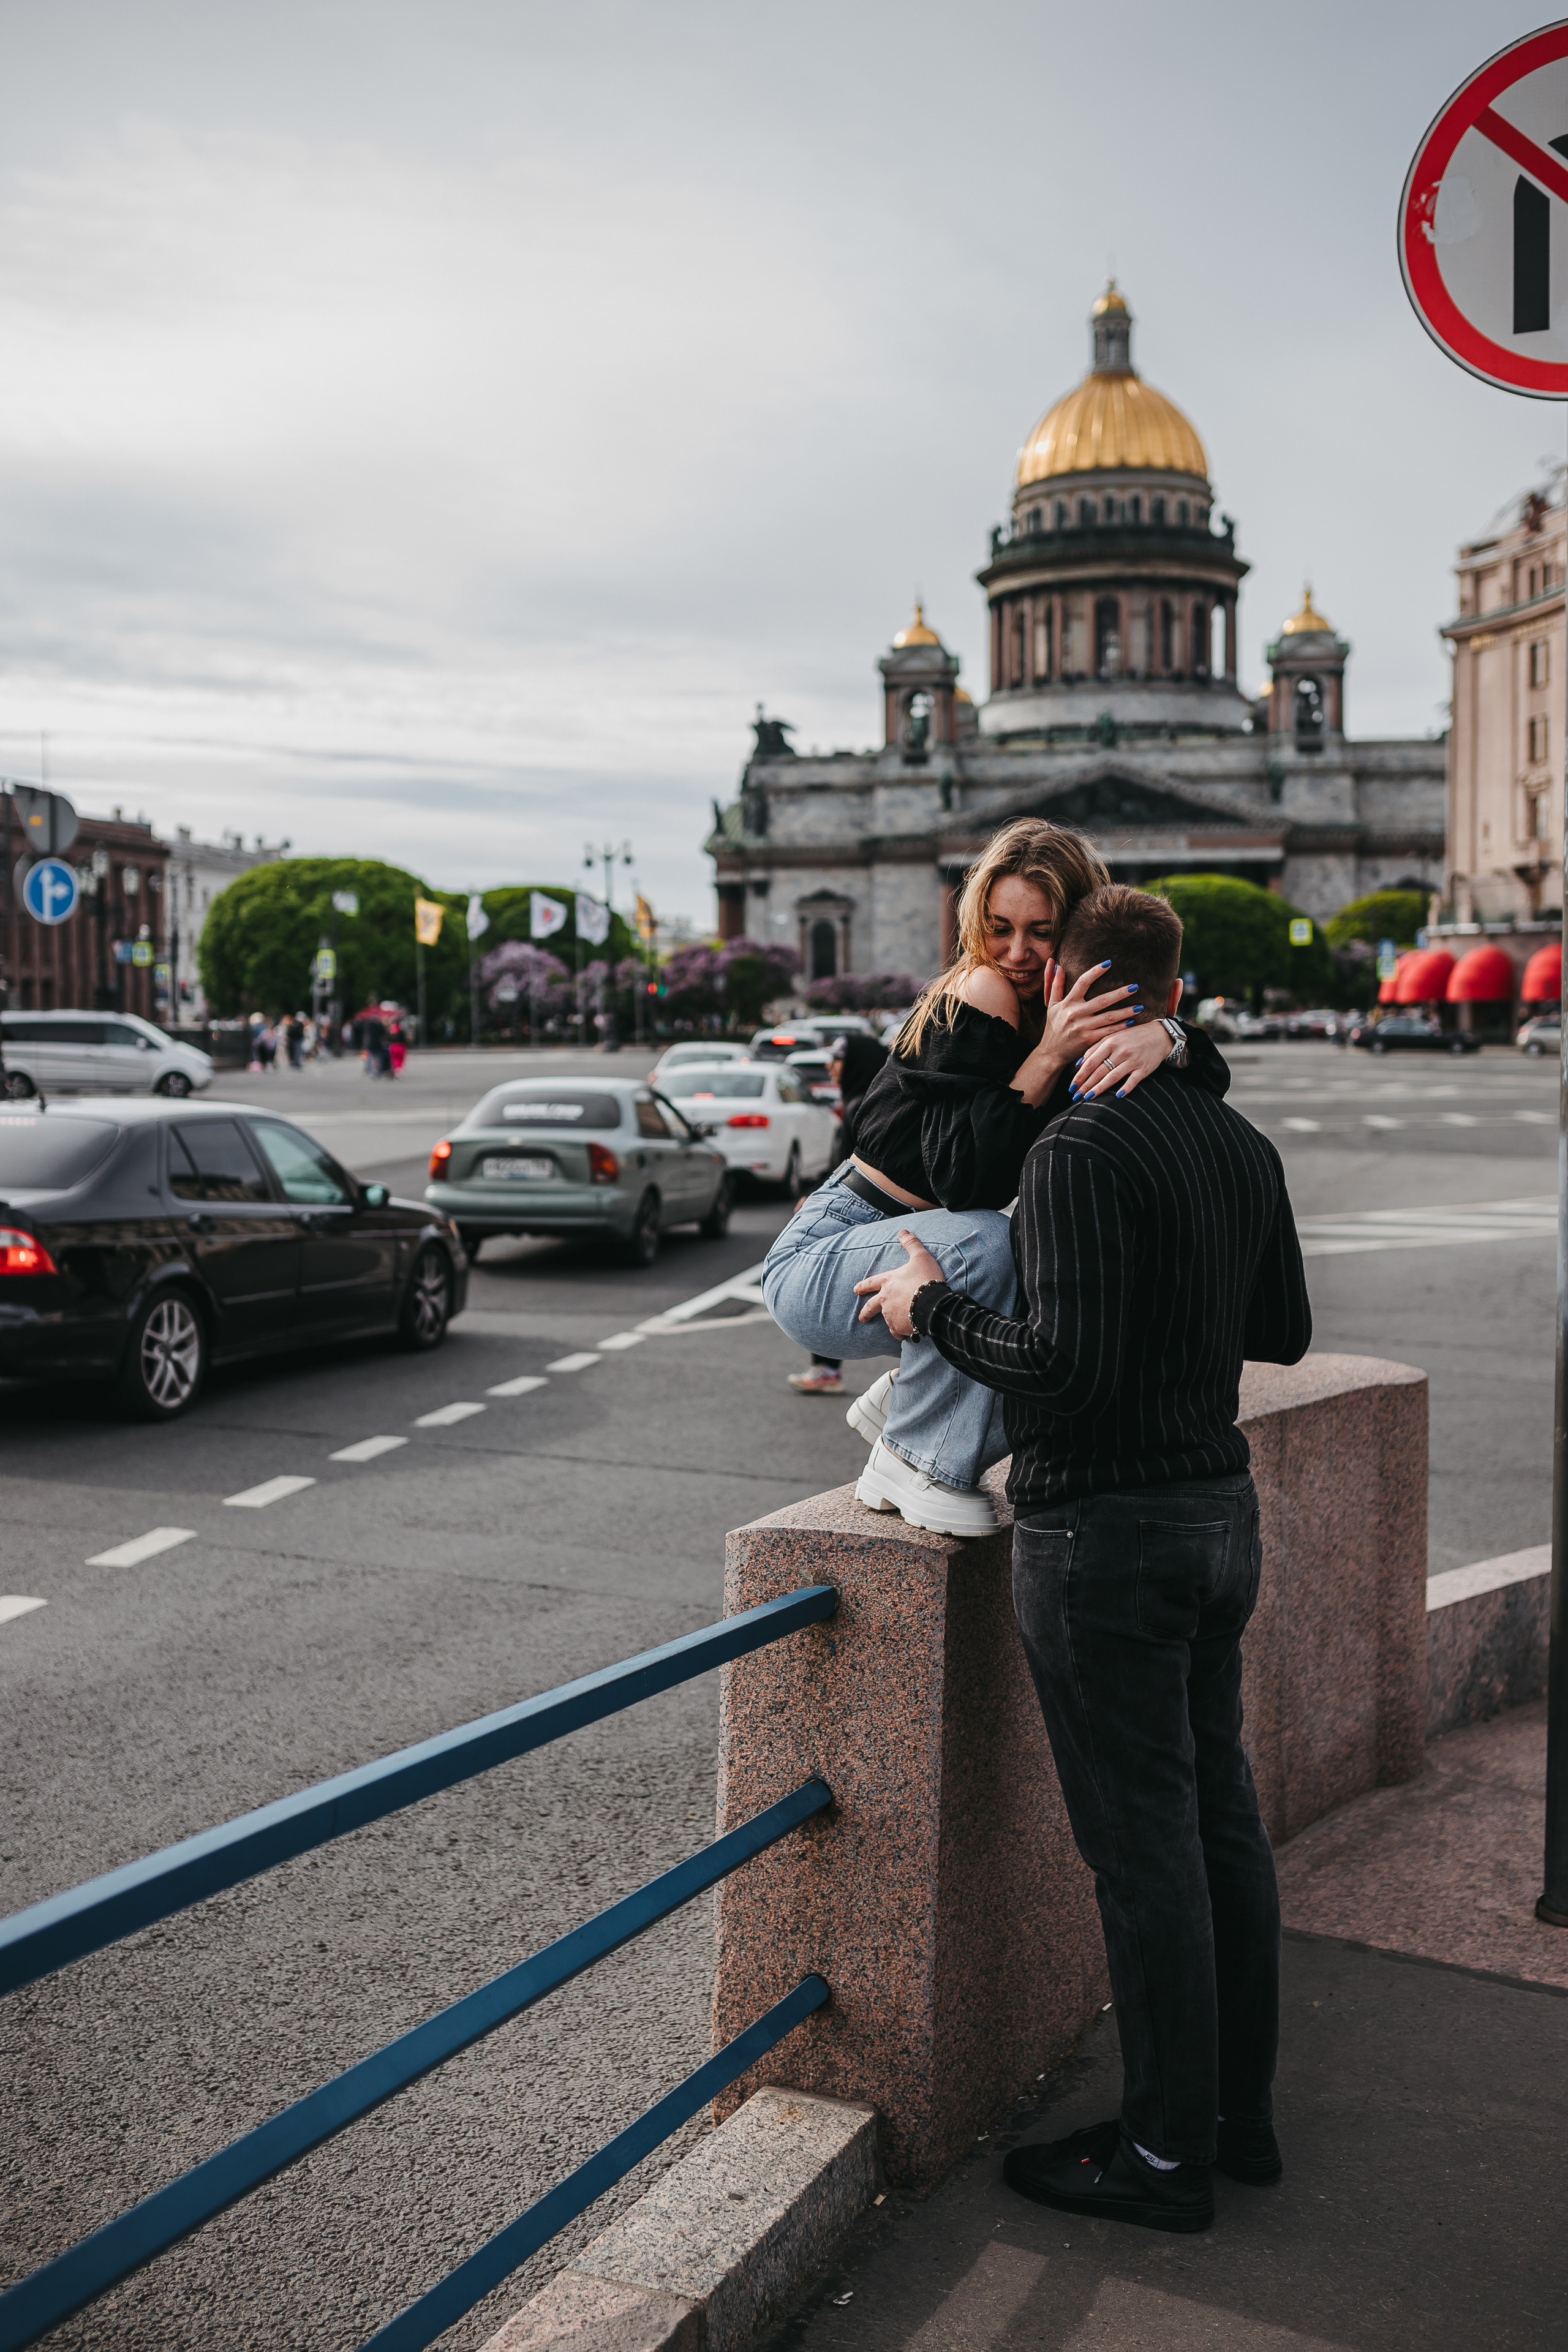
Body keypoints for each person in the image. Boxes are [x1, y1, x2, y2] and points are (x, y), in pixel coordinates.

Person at [854, 883, 1311, 2236]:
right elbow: (1280, 1331)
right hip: (1217, 1518)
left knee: (1143, 1855)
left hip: (1104, 1536)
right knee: (1219, 1824)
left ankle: (1162, 2159)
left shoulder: (1074, 1153)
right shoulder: (1236, 1142)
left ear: (1074, 995)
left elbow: (1054, 1372)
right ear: (1173, 1000)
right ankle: (1237, 2120)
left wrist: (921, 1303)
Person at [761, 819, 1226, 1536]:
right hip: (835, 1248)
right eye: (999, 926)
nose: (1016, 952)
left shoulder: (1064, 1004)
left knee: (1072, 1284)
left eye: (1041, 931)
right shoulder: (980, 993)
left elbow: (1207, 1081)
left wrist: (1163, 1034)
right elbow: (964, 1179)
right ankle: (917, 1460)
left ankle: (916, 1393)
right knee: (995, 1241)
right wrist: (1043, 1059)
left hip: (921, 1251)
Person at [787, 1030, 889, 1397]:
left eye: (839, 1059)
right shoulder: (862, 1099)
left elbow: (856, 1166)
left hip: (859, 1214)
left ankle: (827, 1369)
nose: (831, 1067)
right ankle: (826, 1368)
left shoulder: (864, 1105)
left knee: (827, 1288)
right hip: (852, 1209)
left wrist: (823, 1200)